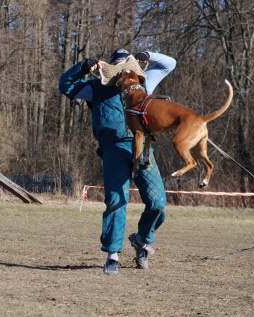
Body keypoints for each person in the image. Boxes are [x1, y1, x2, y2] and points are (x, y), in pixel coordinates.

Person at [59, 49, 176, 275]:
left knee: (158, 202)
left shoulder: (142, 81)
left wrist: (147, 54)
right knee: (116, 200)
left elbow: (169, 63)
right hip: (113, 148)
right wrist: (82, 67)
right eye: (118, 63)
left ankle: (142, 239)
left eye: (126, 62)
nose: (122, 66)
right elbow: (65, 86)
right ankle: (112, 256)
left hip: (143, 146)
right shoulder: (95, 89)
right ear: (111, 67)